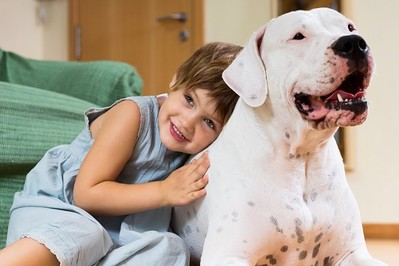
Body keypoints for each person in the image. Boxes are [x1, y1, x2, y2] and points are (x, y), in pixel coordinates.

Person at [0, 42, 242, 266]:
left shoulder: (192, 154)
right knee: (86, 232)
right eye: (189, 100)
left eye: (209, 122)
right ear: (176, 80)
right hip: (56, 215)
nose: (188, 123)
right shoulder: (132, 115)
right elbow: (86, 195)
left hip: (112, 240)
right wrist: (164, 191)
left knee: (170, 248)